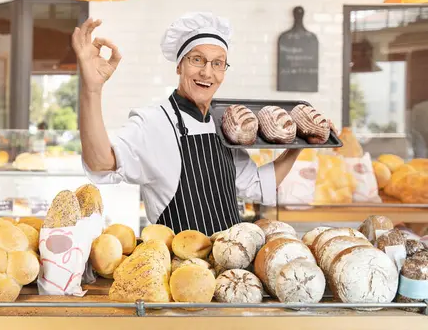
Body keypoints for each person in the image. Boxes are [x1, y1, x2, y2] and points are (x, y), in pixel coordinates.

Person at [73, 12, 308, 236]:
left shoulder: (224, 123)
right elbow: (101, 162)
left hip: (230, 269)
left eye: (218, 63)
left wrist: (297, 144)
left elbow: (257, 185)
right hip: (179, 271)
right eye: (197, 59)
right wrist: (92, 89)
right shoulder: (154, 122)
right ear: (179, 65)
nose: (207, 72)